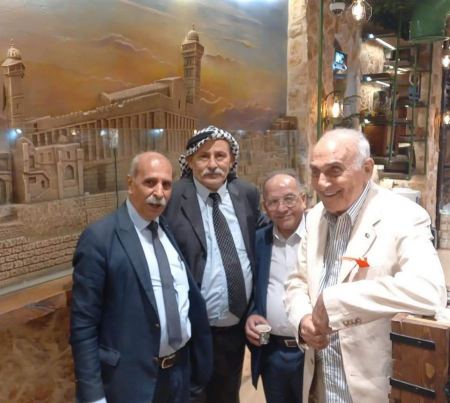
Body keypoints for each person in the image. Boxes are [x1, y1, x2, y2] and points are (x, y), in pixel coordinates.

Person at [284, 128, 447, 403]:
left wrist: (336, 302)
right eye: (315, 172)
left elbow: (429, 291)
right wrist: (302, 319)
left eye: (335, 171)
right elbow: (297, 281)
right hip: (321, 385)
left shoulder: (403, 215)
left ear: (367, 169)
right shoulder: (314, 218)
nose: (322, 183)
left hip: (370, 388)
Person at [70, 152, 212, 403]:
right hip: (131, 383)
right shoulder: (100, 238)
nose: (159, 192)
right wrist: (93, 395)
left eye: (166, 184)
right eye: (150, 182)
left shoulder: (165, 229)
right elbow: (84, 324)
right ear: (130, 183)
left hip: (180, 375)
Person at [163, 125, 266, 403]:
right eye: (203, 156)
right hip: (191, 330)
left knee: (227, 394)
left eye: (220, 156)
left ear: (231, 160)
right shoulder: (173, 198)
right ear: (190, 161)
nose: (212, 164)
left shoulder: (246, 194)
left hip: (235, 328)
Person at [245, 170, 307, 403]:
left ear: (303, 199)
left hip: (312, 353)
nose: (282, 208)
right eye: (273, 202)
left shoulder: (320, 237)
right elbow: (253, 289)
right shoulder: (259, 241)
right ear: (265, 207)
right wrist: (252, 314)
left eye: (289, 199)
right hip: (272, 353)